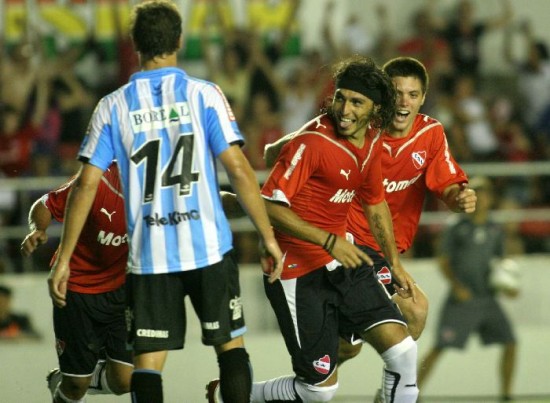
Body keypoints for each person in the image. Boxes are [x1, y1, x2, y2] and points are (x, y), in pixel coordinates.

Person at [48, 1, 283, 403]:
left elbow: (86, 184)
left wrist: (65, 257)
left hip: (151, 257)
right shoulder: (204, 94)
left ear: (135, 43)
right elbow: (240, 170)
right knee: (230, 347)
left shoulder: (113, 105)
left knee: (148, 363)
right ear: (179, 40)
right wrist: (269, 237)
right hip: (208, 248)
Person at [263, 56, 477, 401]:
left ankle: (318, 383)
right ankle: (390, 391)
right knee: (415, 310)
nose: (404, 102)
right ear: (385, 99)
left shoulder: (427, 134)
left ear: (422, 98)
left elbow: (444, 186)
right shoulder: (358, 132)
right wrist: (288, 144)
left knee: (345, 355)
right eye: (398, 93)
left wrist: (461, 198)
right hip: (346, 246)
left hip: (376, 248)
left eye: (413, 94)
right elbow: (293, 147)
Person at [210, 55, 419, 403]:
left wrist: (394, 263)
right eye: (340, 97)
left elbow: (375, 202)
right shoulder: (314, 143)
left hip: (342, 261)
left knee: (403, 352)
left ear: (375, 109)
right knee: (318, 392)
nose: (344, 109)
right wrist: (327, 240)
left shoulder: (370, 142)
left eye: (356, 101)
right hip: (297, 270)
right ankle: (233, 395)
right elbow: (271, 205)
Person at [20, 163, 133, 402]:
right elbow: (44, 205)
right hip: (77, 290)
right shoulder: (98, 180)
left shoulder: (159, 191)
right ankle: (64, 381)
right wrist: (38, 229)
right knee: (74, 387)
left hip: (122, 291)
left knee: (126, 380)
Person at [417, 177, 518, 402]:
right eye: (477, 193)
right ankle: (411, 391)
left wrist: (508, 286)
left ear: (491, 198)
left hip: (487, 297)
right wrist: (456, 286)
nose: (482, 198)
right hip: (461, 299)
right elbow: (443, 260)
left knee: (510, 343)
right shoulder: (456, 226)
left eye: (486, 193)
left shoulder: (495, 229)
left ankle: (506, 394)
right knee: (440, 347)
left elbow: (500, 263)